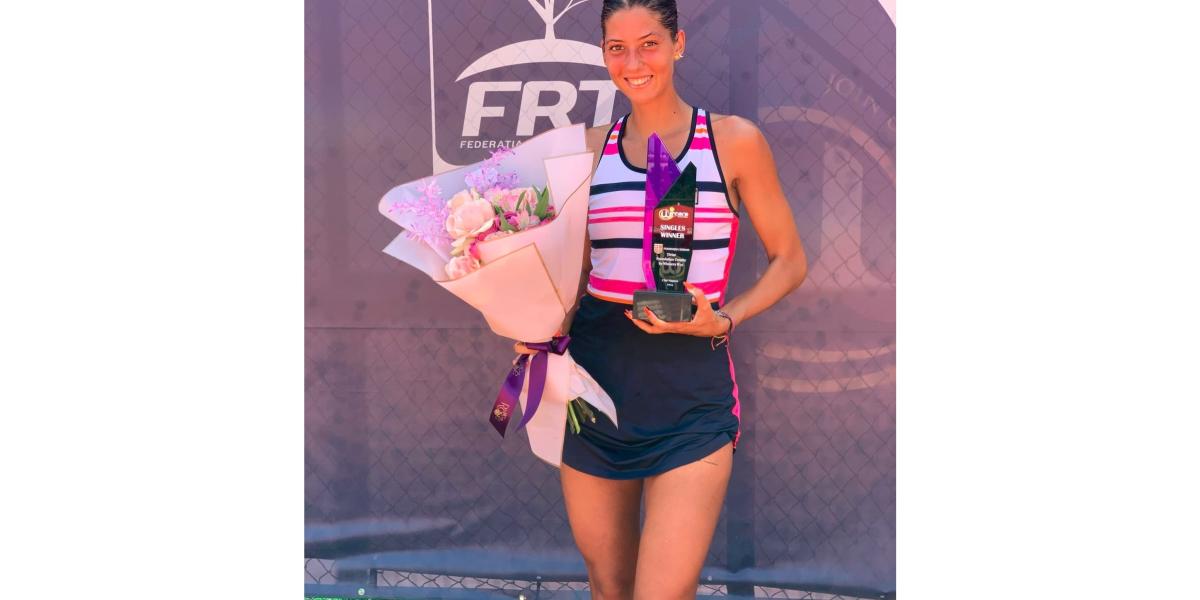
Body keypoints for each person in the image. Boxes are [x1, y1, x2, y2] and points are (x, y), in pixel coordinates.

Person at [517, 1, 807, 597]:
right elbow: (570, 272)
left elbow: (790, 260)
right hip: (595, 392)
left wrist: (724, 319)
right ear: (603, 54)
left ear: (678, 44)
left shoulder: (733, 142)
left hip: (691, 399)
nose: (633, 62)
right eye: (616, 47)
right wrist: (535, 326)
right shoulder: (587, 151)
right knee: (609, 587)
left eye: (649, 43)